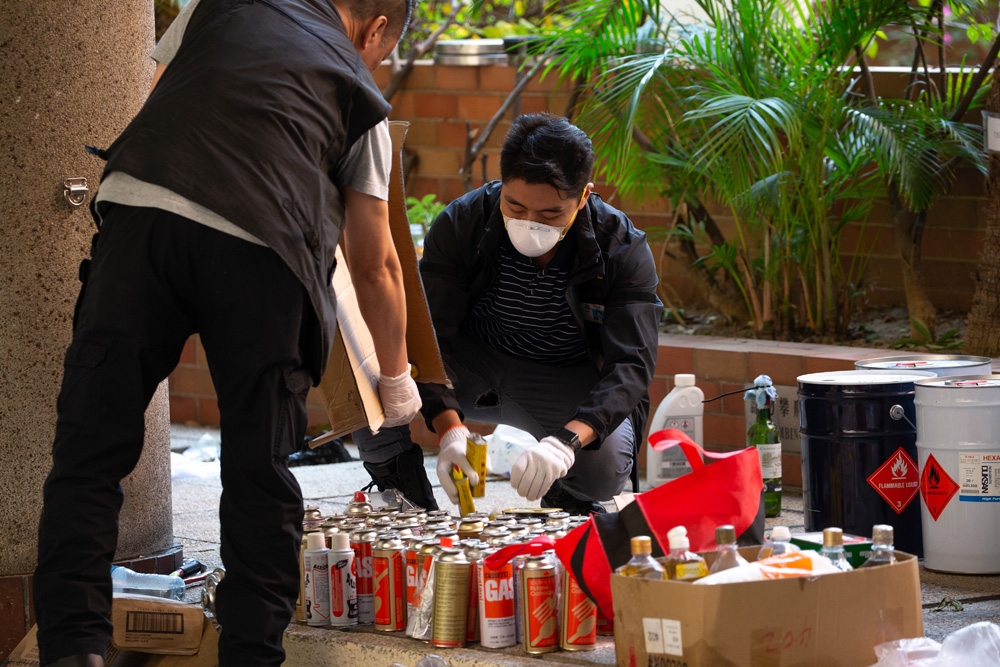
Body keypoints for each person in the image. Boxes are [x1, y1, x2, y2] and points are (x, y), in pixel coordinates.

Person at [33, 0, 417, 665]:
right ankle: (250, 654)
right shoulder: (360, 102)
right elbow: (376, 262)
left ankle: (72, 649)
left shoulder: (219, 5)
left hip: (142, 217)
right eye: (382, 52)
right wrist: (398, 381)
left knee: (89, 452)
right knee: (256, 468)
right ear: (375, 28)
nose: (376, 64)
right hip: (263, 248)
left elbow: (164, 106)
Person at [356, 113, 661, 516]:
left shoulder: (620, 248)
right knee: (371, 358)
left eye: (550, 214)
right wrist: (450, 431)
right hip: (471, 365)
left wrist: (565, 444)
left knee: (602, 468)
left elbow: (631, 366)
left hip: (563, 378)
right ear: (501, 183)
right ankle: (401, 486)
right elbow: (429, 335)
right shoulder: (463, 222)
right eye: (514, 205)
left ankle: (565, 496)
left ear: (584, 196)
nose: (529, 223)